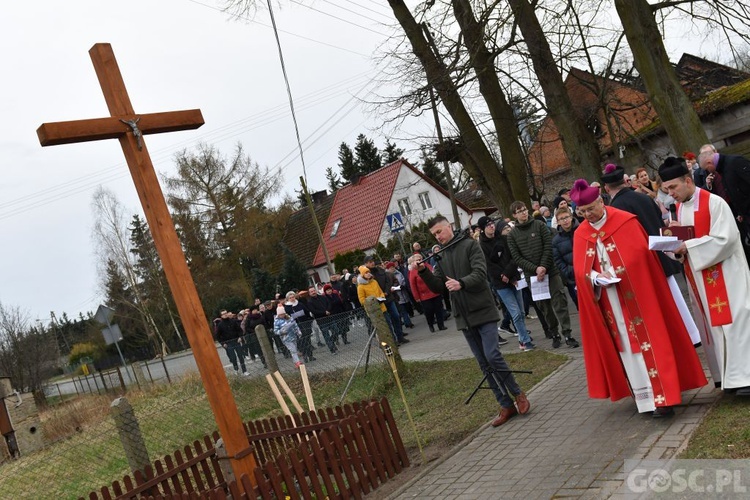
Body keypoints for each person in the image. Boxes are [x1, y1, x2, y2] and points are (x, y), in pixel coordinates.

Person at [569, 179, 707, 416]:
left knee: (651, 340)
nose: (588, 215)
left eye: (591, 209)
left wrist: (615, 272)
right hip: (609, 302)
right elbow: (580, 270)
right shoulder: (581, 233)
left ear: (601, 201)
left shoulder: (624, 221)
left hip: (638, 297)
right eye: (582, 212)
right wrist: (593, 277)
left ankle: (664, 396)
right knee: (627, 346)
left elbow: (640, 257)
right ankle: (645, 398)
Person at [417, 216, 530, 426]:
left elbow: (480, 273)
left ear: (449, 227)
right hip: (463, 316)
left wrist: (461, 283)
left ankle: (518, 393)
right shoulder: (440, 255)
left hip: (482, 310)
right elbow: (438, 287)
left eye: (440, 231)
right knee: (483, 364)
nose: (438, 237)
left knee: (492, 355)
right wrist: (423, 271)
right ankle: (505, 405)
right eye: (434, 235)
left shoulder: (470, 245)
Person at [659, 158, 750, 396]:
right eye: (666, 189)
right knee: (714, 328)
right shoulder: (680, 207)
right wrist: (674, 245)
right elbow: (685, 245)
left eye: (673, 188)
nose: (670, 194)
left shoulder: (715, 203)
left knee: (735, 324)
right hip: (701, 279)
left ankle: (745, 378)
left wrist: (687, 246)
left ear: (688, 181)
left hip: (727, 274)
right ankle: (728, 378)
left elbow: (726, 239)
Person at [602, 163, 701, 346]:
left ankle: (678, 337)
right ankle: (693, 334)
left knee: (663, 302)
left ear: (607, 188)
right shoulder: (644, 197)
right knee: (676, 296)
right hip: (663, 251)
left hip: (644, 261)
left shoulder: (614, 209)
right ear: (624, 181)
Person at [507, 200, 580, 349]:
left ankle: (567, 333)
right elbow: (517, 257)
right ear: (514, 215)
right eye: (519, 211)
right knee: (545, 307)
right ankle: (554, 334)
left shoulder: (539, 225)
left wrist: (543, 266)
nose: (524, 212)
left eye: (524, 209)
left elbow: (548, 245)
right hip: (533, 276)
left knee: (560, 302)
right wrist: (535, 269)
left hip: (550, 271)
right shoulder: (512, 235)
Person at [477, 216, 535, 351]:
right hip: (500, 283)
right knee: (514, 312)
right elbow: (489, 266)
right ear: (482, 229)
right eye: (488, 225)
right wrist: (502, 275)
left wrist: (508, 273)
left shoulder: (503, 239)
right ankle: (526, 341)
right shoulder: (482, 246)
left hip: (513, 278)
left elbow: (514, 257)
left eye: (492, 224)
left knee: (521, 311)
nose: (491, 226)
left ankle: (522, 338)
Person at [697, 145, 750, 264]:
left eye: (707, 168)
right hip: (743, 214)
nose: (708, 171)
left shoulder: (735, 162)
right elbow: (730, 192)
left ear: (710, 162)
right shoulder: (721, 170)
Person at [357, 264, 409, 345]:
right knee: (385, 327)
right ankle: (392, 341)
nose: (368, 274)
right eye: (366, 273)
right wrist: (372, 301)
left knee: (389, 322)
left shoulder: (374, 282)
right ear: (362, 275)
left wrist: (381, 296)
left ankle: (398, 338)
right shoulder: (360, 287)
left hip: (381, 305)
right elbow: (362, 300)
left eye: (368, 272)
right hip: (374, 310)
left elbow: (380, 291)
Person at [407, 254, 446, 332]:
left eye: (420, 259)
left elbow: (435, 276)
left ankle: (441, 325)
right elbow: (413, 285)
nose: (420, 260)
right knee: (429, 312)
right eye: (417, 260)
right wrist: (416, 297)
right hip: (424, 296)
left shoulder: (428, 266)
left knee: (439, 309)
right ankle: (431, 325)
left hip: (435, 292)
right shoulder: (413, 271)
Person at [551, 207, 578, 309]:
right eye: (561, 219)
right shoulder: (556, 241)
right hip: (572, 277)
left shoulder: (582, 230)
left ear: (571, 217)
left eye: (566, 217)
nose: (565, 220)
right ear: (558, 222)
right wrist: (568, 272)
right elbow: (558, 260)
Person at [284, 291, 316, 363]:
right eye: (290, 298)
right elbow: (286, 317)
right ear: (288, 299)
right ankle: (305, 355)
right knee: (301, 341)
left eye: (293, 297)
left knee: (308, 340)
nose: (292, 299)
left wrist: (309, 318)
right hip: (295, 326)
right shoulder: (287, 307)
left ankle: (310, 355)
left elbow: (306, 311)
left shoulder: (300, 304)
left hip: (304, 323)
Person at [215, 311, 248, 375]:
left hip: (236, 341)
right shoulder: (220, 325)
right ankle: (236, 369)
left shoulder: (233, 321)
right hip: (228, 343)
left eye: (226, 313)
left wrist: (240, 337)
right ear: (221, 316)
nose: (225, 315)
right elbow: (218, 336)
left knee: (240, 356)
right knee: (233, 358)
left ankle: (244, 370)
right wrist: (223, 343)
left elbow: (240, 330)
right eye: (223, 314)